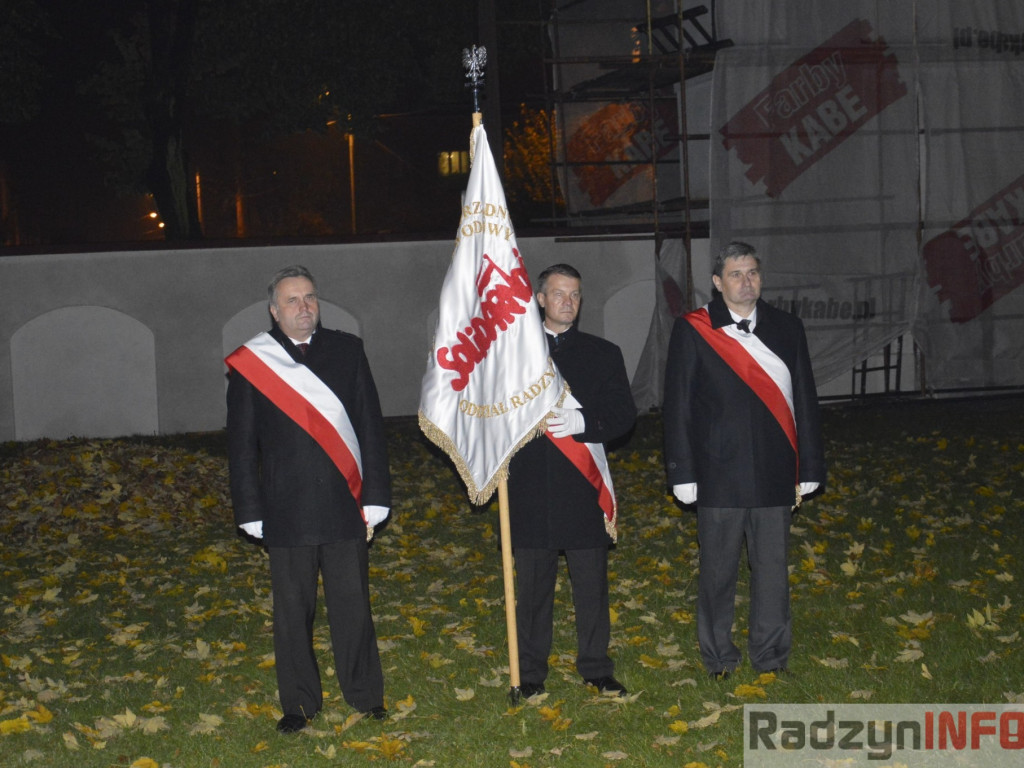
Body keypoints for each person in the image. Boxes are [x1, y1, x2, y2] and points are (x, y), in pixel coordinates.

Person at [225, 265, 391, 733]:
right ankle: (298, 704)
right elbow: (241, 444)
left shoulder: (347, 350)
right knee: (292, 613)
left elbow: (370, 425)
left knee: (353, 606)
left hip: (344, 501)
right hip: (285, 507)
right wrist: (249, 509)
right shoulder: (254, 361)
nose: (304, 307)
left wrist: (376, 495)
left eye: (310, 298)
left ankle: (365, 696)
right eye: (293, 301)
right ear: (274, 311)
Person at [662, 241, 825, 679]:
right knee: (717, 571)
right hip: (717, 472)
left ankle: (770, 656)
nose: (746, 282)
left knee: (772, 572)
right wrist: (682, 471)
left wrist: (810, 465)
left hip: (775, 468)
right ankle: (718, 656)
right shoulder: (694, 329)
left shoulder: (786, 327)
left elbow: (805, 399)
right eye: (736, 274)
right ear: (718, 282)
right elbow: (678, 405)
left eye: (752, 272)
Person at [507, 263, 637, 699]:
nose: (568, 301)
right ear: (540, 299)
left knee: (591, 585)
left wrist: (585, 421)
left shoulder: (603, 353)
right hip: (529, 487)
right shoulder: (512, 356)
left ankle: (596, 668)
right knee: (533, 590)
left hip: (583, 488)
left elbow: (623, 415)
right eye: (559, 294)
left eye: (575, 294)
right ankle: (529, 673)